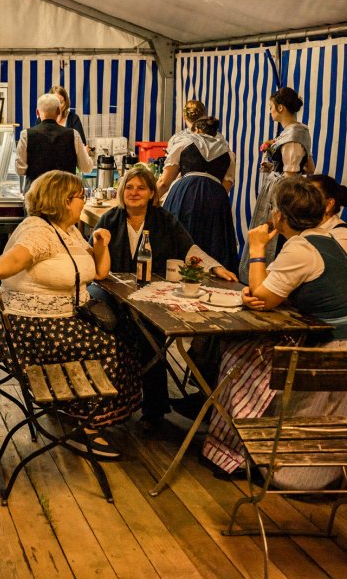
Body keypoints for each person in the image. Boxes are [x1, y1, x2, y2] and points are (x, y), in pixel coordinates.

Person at [203, 177, 347, 488]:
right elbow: (270, 290)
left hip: (343, 353)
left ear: (280, 216)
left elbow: (263, 296)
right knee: (245, 354)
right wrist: (260, 292)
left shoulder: (301, 247)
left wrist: (257, 248)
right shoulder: (323, 238)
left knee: (241, 361)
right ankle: (232, 444)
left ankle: (237, 449)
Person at [0, 170, 139, 456]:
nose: (84, 201)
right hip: (30, 327)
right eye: (80, 196)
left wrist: (100, 245)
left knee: (125, 336)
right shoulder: (38, 230)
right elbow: (17, 257)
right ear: (63, 200)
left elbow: (100, 272)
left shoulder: (68, 229)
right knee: (110, 347)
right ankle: (84, 425)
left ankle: (71, 407)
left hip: (59, 319)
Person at [93, 164, 238, 429]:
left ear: (152, 193)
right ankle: (119, 402)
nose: (134, 192)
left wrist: (215, 267)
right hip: (114, 296)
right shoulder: (109, 219)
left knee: (152, 334)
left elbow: (189, 250)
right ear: (122, 191)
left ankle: (154, 410)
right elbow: (92, 255)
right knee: (128, 333)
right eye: (129, 187)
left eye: (141, 188)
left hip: (151, 297)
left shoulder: (165, 220)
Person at [239, 86, 315, 282]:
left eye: (271, 107)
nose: (270, 111)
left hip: (283, 192)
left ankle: (266, 279)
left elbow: (291, 174)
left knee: (274, 232)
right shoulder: (297, 132)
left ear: (281, 108)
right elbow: (310, 168)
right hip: (279, 184)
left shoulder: (293, 135)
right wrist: (273, 166)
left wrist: (280, 202)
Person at [157, 116, 239, 273]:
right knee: (212, 242)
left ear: (197, 130)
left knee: (180, 236)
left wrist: (151, 199)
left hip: (185, 194)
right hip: (215, 199)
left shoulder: (185, 143)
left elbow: (164, 182)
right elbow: (225, 188)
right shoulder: (228, 154)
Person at [15, 93, 94, 193]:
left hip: (35, 195)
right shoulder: (73, 134)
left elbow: (20, 170)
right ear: (58, 111)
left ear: (37, 112)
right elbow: (86, 168)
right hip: (64, 196)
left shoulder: (26, 135)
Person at [308, 174, 347, 280]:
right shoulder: (309, 230)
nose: (299, 202)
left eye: (308, 197)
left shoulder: (342, 238)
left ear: (328, 204)